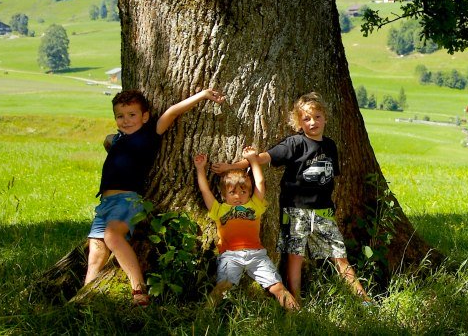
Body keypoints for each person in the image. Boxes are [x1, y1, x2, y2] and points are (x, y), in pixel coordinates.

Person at [214, 92, 368, 302]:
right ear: (299, 123)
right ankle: (295, 303)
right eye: (306, 119)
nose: (313, 122)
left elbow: (330, 177)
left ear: (325, 118)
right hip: (296, 212)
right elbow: (262, 158)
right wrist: (232, 166)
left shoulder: (330, 146)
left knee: (340, 258)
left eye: (317, 117)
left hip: (323, 211)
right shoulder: (295, 143)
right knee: (295, 259)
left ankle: (365, 300)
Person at [85, 88, 222, 306]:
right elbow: (109, 141)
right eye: (120, 116)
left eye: (132, 115)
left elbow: (172, 112)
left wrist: (203, 95)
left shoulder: (148, 134)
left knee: (112, 237)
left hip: (127, 200)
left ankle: (138, 289)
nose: (126, 120)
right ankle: (87, 295)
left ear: (145, 116)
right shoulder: (118, 139)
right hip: (105, 204)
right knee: (95, 251)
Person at [194, 148, 299, 310]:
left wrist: (252, 159)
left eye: (243, 191)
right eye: (233, 192)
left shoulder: (254, 205)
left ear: (249, 193)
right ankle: (203, 319)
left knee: (277, 287)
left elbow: (260, 183)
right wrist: (200, 168)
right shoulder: (218, 209)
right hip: (230, 256)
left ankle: (298, 314)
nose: (238, 196)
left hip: (257, 255)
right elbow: (204, 190)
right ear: (224, 195)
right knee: (222, 288)